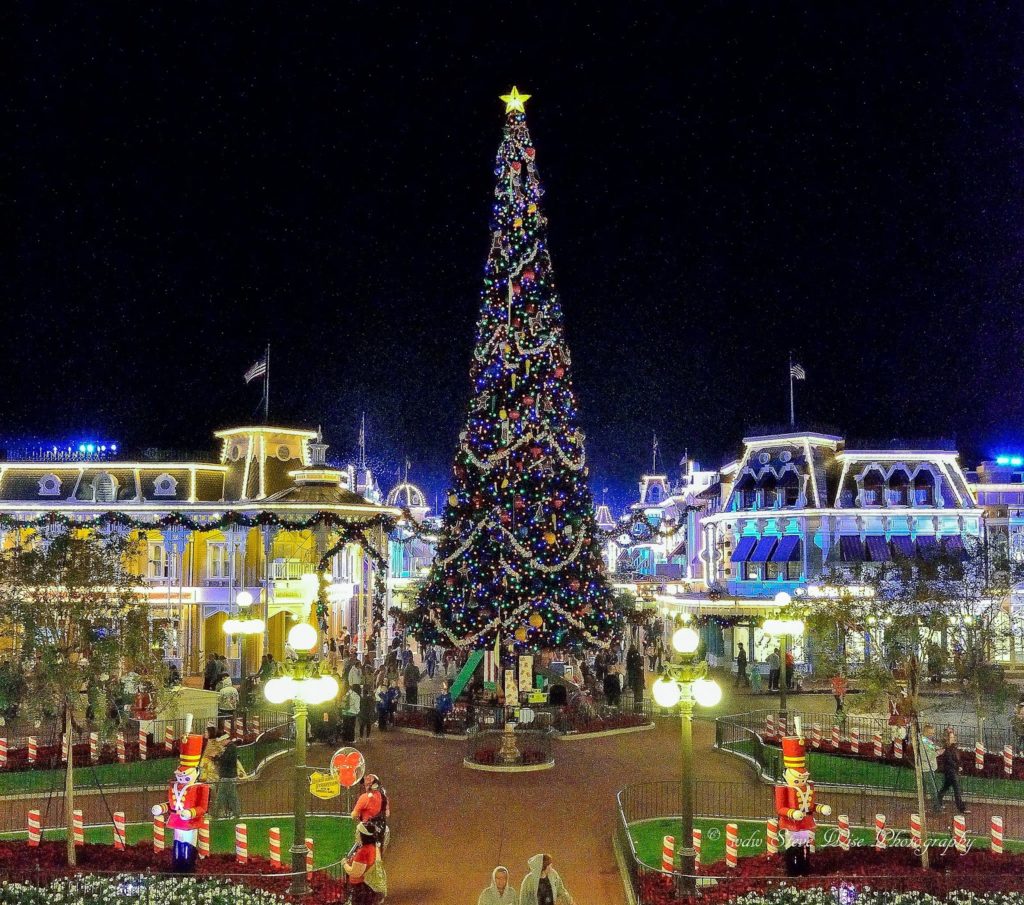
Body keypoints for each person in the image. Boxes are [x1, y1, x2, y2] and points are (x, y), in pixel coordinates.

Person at [343, 822, 381, 904]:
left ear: (362, 835)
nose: (355, 834)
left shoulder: (363, 852)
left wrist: (344, 864)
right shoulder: (373, 847)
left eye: (357, 832)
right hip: (369, 886)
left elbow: (355, 873)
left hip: (360, 887)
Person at [212, 734, 247, 820]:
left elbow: (225, 760)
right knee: (231, 795)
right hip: (228, 776)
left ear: (225, 740)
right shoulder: (230, 748)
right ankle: (235, 813)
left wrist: (217, 757)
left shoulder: (231, 748)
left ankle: (216, 813)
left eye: (221, 741)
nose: (220, 743)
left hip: (228, 776)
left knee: (222, 795)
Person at [936, 726, 969, 813]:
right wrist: (958, 766)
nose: (953, 738)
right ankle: (961, 808)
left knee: (945, 788)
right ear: (947, 739)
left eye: (953, 737)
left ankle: (937, 802)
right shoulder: (947, 749)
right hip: (950, 771)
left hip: (952, 771)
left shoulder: (953, 747)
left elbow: (957, 758)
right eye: (951, 737)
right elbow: (949, 760)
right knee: (957, 789)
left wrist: (959, 765)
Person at [920, 723, 942, 809]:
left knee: (925, 787)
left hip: (931, 767)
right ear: (925, 732)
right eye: (930, 733)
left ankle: (922, 804)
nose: (932, 735)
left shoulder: (926, 740)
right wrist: (938, 753)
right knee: (932, 787)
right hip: (926, 768)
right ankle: (937, 806)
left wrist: (937, 748)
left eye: (933, 733)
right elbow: (926, 756)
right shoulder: (922, 742)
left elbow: (931, 746)